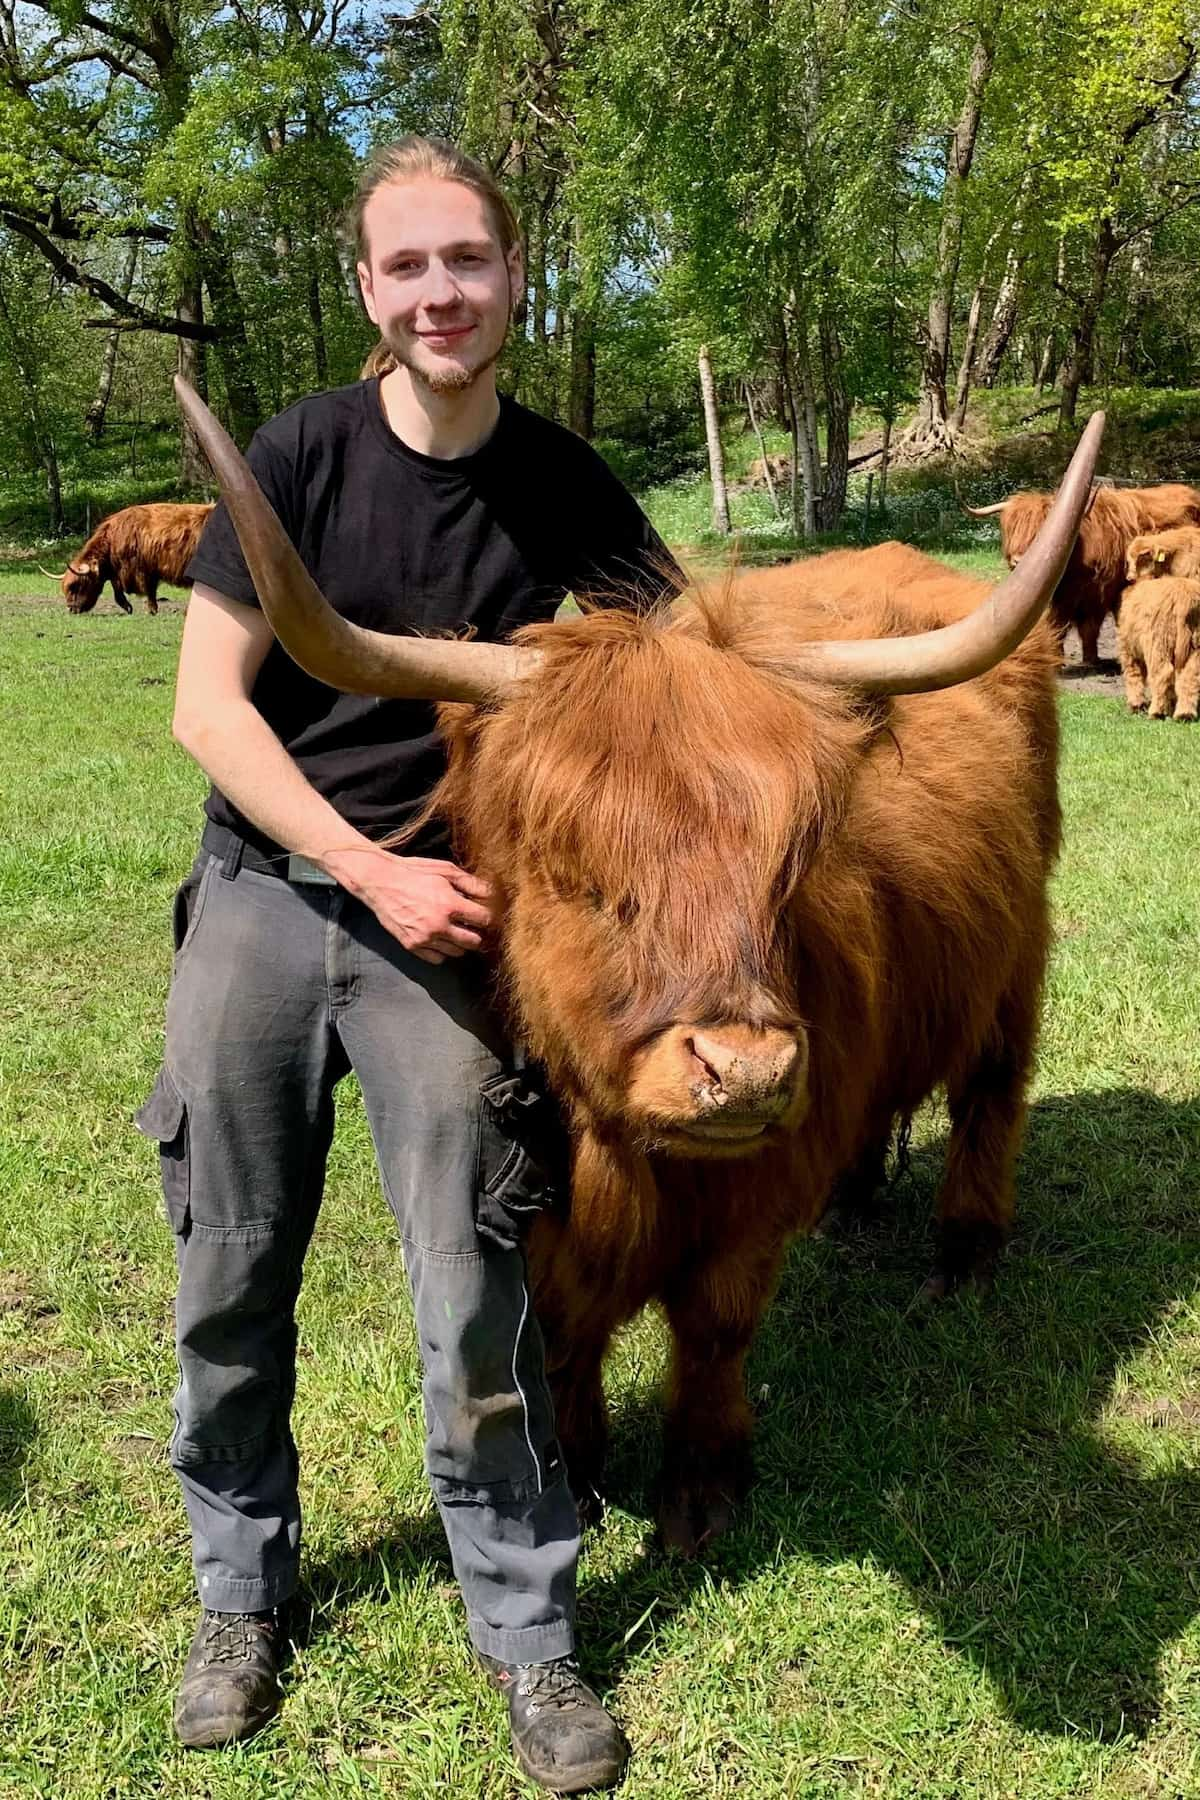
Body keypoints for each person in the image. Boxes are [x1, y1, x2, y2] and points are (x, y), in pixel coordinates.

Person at [136, 135, 679, 1793]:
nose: (441, 292)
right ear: (370, 291)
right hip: (271, 898)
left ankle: (527, 1633)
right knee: (227, 1268)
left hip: (457, 928)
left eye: (470, 260)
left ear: (516, 278)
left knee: (478, 1288)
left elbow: (670, 699)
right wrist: (367, 861)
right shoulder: (296, 454)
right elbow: (207, 709)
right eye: (409, 266)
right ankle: (241, 1592)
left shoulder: (573, 489)